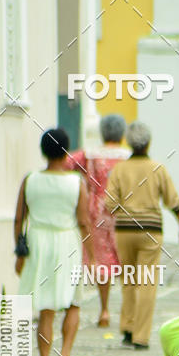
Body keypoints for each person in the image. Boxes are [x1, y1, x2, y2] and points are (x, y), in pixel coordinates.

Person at [14, 128, 94, 356]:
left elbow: (19, 218)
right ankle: (66, 355)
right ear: (67, 152)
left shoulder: (30, 180)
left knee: (46, 308)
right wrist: (90, 255)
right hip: (67, 241)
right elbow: (83, 221)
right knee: (73, 302)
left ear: (43, 150)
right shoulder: (76, 183)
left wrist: (19, 251)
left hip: (38, 242)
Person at [105, 122, 179, 350]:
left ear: (128, 142)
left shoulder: (120, 170)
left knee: (128, 281)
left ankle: (127, 329)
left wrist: (124, 211)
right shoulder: (158, 168)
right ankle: (141, 337)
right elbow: (173, 201)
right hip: (150, 231)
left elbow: (110, 203)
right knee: (147, 283)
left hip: (124, 231)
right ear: (149, 142)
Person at [67, 113, 130, 327]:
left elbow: (66, 163)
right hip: (125, 212)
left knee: (103, 263)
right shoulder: (129, 156)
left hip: (97, 212)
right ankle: (127, 312)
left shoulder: (90, 155)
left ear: (103, 133)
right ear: (122, 134)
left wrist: (83, 181)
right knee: (126, 261)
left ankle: (104, 310)